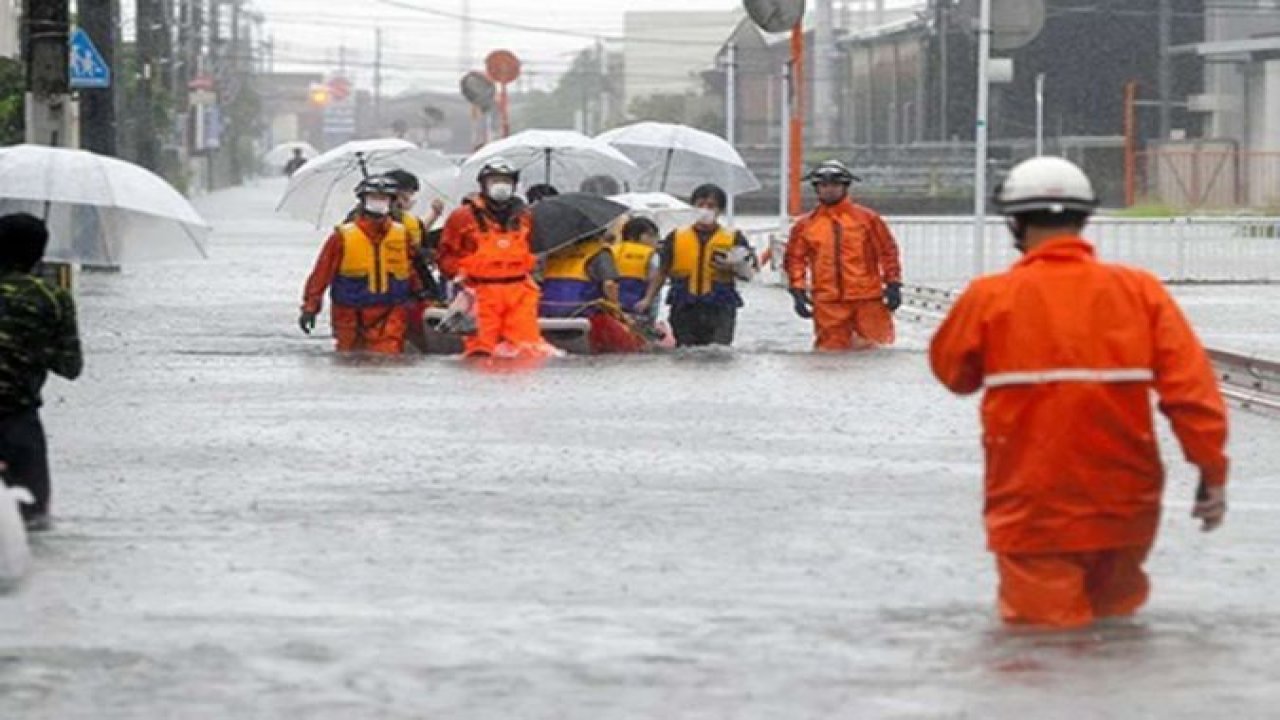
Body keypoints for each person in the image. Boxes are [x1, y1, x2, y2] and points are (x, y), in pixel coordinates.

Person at [929, 156, 1229, 630]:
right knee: (1116, 638)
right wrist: (1212, 472)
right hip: (1126, 503)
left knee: (1042, 651)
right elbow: (1193, 395)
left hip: (1032, 505)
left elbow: (953, 375)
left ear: (1015, 221)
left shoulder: (989, 296)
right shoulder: (1140, 291)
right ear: (1085, 218)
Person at [0, 214, 82, 531]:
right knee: (34, 522)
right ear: (39, 253)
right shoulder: (53, 297)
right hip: (20, 425)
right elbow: (71, 367)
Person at [784, 159, 902, 351]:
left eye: (835, 185)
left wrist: (893, 284)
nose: (829, 189)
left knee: (878, 351)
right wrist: (797, 290)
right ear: (816, 188)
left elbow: (887, 251)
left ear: (845, 186)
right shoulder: (805, 225)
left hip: (868, 300)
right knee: (829, 356)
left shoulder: (868, 219)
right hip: (828, 303)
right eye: (823, 185)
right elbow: (795, 260)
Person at [438, 158, 546, 357]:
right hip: (480, 292)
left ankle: (522, 388)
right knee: (480, 350)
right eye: (495, 180)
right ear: (483, 185)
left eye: (505, 180)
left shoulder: (525, 216)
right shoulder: (462, 216)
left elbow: (534, 250)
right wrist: (460, 274)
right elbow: (446, 255)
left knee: (527, 349)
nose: (500, 186)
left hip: (520, 293)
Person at [299, 176, 417, 354]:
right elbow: (321, 274)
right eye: (373, 197)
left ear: (392, 202)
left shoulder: (402, 235)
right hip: (349, 315)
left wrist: (426, 297)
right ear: (363, 201)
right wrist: (310, 307)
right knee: (349, 359)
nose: (379, 202)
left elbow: (412, 271)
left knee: (389, 359)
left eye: (383, 198)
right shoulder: (342, 237)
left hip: (390, 312)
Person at [634, 184, 756, 347]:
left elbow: (750, 273)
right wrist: (648, 299)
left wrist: (732, 267)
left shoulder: (734, 238)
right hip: (684, 303)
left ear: (720, 210)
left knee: (719, 350)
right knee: (685, 351)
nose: (705, 210)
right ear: (693, 207)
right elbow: (662, 272)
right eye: (700, 205)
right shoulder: (676, 237)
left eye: (711, 206)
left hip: (720, 304)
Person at [538, 233, 620, 318]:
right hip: (583, 313)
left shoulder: (555, 253)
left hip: (546, 312)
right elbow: (609, 284)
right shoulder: (598, 252)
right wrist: (616, 309)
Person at [613, 217, 661, 316]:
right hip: (639, 306)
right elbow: (655, 280)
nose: (656, 239)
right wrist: (648, 300)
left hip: (615, 306)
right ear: (632, 236)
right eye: (650, 235)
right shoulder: (652, 255)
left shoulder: (612, 251)